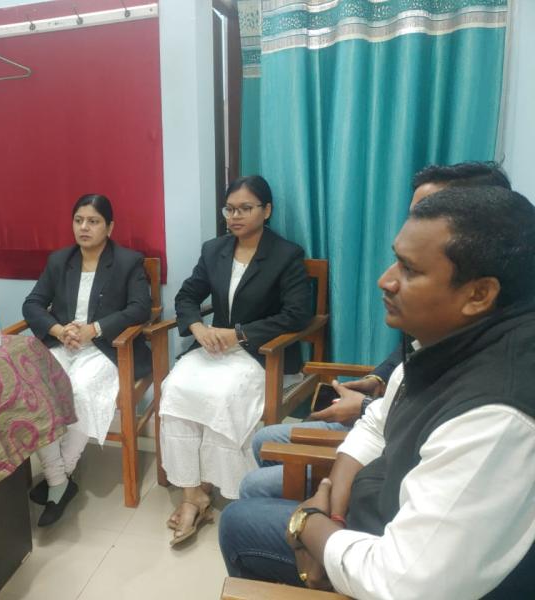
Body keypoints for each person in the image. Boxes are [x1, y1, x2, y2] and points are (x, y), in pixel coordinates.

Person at [219, 186, 535, 599]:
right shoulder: (447, 340)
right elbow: (377, 419)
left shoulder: (496, 415)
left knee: (239, 522)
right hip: (374, 506)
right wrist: (332, 497)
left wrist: (309, 524)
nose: (385, 280)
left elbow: (402, 584)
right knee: (252, 493)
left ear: (478, 294)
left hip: (392, 563)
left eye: (409, 269)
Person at [239, 161, 512, 500]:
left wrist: (321, 516)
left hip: (396, 453)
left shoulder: (486, 337)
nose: (386, 281)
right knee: (264, 440)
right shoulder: (439, 303)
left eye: (430, 211)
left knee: (252, 492)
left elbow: (418, 436)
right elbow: (405, 354)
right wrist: (377, 381)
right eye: (414, 212)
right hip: (381, 422)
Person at [159, 175, 313, 546]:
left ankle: (228, 487)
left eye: (245, 208)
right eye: (229, 209)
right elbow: (186, 296)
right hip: (213, 347)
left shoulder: (286, 254)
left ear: (267, 210)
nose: (235, 216)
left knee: (222, 395)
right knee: (174, 387)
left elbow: (297, 314)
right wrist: (197, 327)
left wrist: (239, 335)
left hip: (260, 353)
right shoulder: (214, 249)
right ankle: (193, 493)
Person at [22, 194, 151, 527]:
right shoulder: (59, 260)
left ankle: (58, 476)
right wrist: (58, 329)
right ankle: (60, 480)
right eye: (79, 220)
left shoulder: (127, 261)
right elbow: (32, 304)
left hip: (106, 348)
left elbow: (140, 308)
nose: (84, 227)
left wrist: (95, 329)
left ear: (110, 227)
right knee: (37, 390)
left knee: (78, 390)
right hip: (63, 343)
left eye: (93, 221)